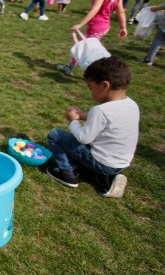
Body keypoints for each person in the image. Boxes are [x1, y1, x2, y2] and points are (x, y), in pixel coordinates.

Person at [46, 56, 139, 198]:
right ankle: (106, 178)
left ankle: (68, 173)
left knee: (56, 135)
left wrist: (73, 121)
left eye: (91, 88)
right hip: (121, 163)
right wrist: (83, 115)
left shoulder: (101, 110)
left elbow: (84, 138)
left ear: (105, 85)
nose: (91, 92)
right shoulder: (131, 104)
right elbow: (111, 120)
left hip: (103, 162)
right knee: (85, 151)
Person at [57, 0, 128, 76]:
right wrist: (123, 27)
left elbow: (94, 10)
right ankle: (77, 68)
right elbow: (121, 12)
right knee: (88, 47)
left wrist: (80, 24)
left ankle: (84, 70)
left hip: (96, 26)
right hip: (104, 27)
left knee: (86, 49)